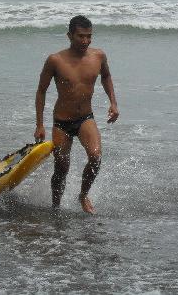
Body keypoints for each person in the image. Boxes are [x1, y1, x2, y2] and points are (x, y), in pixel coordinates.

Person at [34, 15, 119, 214]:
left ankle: (82, 195)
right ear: (69, 35)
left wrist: (113, 103)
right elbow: (41, 91)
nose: (86, 41)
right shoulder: (55, 60)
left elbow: (106, 76)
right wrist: (39, 125)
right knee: (61, 167)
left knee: (96, 156)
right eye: (81, 36)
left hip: (85, 118)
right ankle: (55, 208)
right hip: (61, 122)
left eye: (89, 36)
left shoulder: (98, 56)